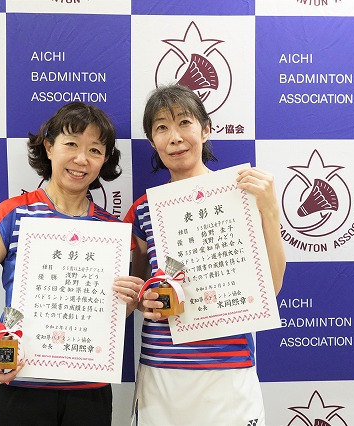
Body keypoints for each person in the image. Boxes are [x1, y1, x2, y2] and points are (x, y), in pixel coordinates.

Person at [117, 84, 286, 426]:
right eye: (162, 127)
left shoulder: (243, 195)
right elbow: (136, 290)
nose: (175, 137)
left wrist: (270, 210)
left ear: (205, 129)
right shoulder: (143, 210)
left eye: (184, 122)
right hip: (162, 370)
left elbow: (273, 287)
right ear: (152, 141)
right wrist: (142, 298)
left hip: (229, 368)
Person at [0, 102, 126, 426]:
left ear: (104, 159)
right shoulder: (13, 214)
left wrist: (128, 301)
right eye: (71, 144)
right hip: (18, 384)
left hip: (89, 389)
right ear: (49, 147)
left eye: (94, 150)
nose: (81, 159)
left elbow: (111, 312)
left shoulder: (112, 230)